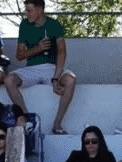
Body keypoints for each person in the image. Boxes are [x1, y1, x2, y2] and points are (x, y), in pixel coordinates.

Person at [5, 0, 77, 135]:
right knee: (9, 80)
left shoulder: (54, 24)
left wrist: (56, 78)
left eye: (29, 11)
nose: (27, 14)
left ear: (40, 10)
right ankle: (27, 119)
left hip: (52, 68)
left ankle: (57, 124)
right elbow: (19, 56)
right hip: (31, 69)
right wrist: (38, 48)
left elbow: (62, 52)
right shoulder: (25, 25)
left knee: (71, 80)